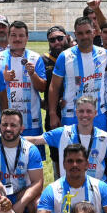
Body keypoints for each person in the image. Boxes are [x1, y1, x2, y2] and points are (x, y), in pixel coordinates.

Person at [32, 96, 107, 199]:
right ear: (76, 112)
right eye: (81, 111)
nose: (85, 115)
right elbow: (36, 140)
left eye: (89, 111)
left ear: (95, 113)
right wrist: (13, 139)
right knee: (44, 200)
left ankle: (102, 208)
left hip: (98, 186)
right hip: (70, 187)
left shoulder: (104, 136)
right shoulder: (63, 132)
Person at [48, 16, 107, 130]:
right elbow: (54, 86)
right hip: (71, 114)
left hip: (98, 114)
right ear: (75, 34)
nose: (85, 36)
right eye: (80, 33)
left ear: (94, 32)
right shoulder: (65, 56)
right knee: (72, 148)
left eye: (88, 32)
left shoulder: (104, 54)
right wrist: (52, 113)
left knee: (97, 147)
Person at [0, 20, 46, 141]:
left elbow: (42, 88)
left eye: (21, 35)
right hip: (6, 122)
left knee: (31, 156)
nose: (17, 39)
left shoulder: (35, 58)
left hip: (31, 121)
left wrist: (33, 74)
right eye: (14, 35)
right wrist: (2, 79)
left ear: (27, 38)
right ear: (8, 37)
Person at [42, 25, 70, 171]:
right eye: (52, 40)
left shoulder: (75, 55)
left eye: (60, 38)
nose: (57, 42)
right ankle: (58, 183)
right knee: (56, 152)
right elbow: (40, 87)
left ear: (67, 37)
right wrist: (44, 103)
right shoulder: (44, 60)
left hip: (75, 111)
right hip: (54, 113)